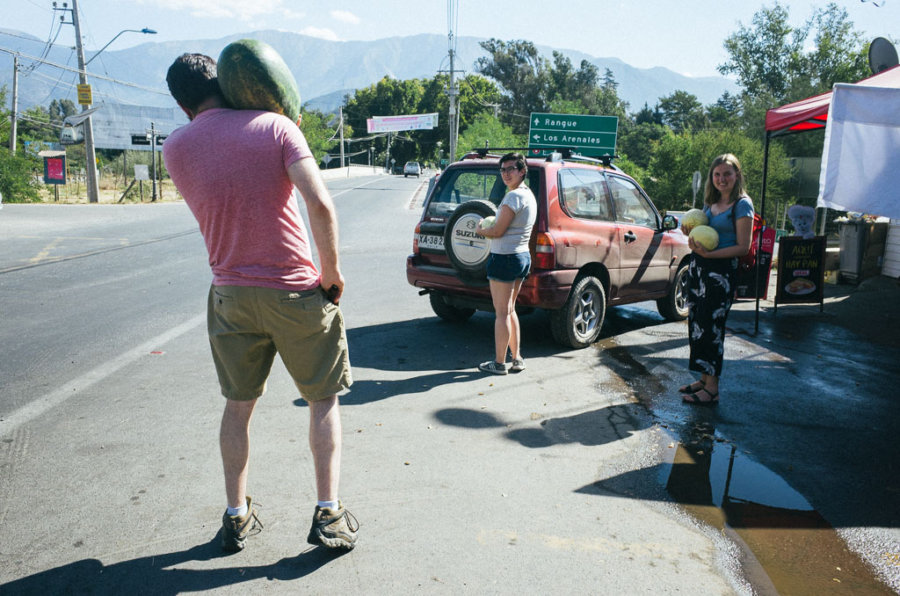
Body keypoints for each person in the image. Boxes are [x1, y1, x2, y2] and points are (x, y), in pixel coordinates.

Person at [162, 53, 358, 552]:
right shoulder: (274, 127)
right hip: (294, 290)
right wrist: (331, 274)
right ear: (229, 84)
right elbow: (319, 203)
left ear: (183, 104)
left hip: (229, 293)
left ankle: (235, 515)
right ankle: (328, 514)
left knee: (238, 406)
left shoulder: (175, 147)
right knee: (322, 400)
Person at [679, 153, 754, 406]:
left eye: (727, 174)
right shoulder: (709, 204)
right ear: (712, 177)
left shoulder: (742, 205)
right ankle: (703, 379)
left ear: (737, 176)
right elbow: (700, 231)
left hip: (720, 272)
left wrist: (711, 254)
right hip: (699, 268)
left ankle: (712, 390)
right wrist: (688, 232)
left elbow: (743, 247)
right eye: (717, 174)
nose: (722, 179)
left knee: (712, 329)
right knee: (698, 326)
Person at [475, 152, 537, 375]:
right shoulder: (527, 194)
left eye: (511, 168)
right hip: (520, 256)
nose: (506, 173)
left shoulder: (513, 197)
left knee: (501, 313)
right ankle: (517, 358)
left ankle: (499, 363)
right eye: (502, 169)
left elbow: (498, 231)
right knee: (510, 310)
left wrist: (481, 229)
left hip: (505, 258)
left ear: (522, 171)